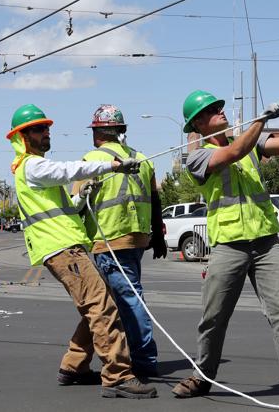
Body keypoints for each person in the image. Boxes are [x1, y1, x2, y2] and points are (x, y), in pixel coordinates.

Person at [171, 89, 279, 410]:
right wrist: (263, 119)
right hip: (229, 245)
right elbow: (233, 152)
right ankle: (203, 375)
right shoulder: (197, 158)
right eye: (212, 109)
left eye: (219, 106)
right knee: (214, 317)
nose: (220, 110)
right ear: (198, 123)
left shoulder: (250, 140)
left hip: (265, 242)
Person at [6, 104, 156, 399]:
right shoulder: (32, 166)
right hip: (62, 249)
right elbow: (69, 170)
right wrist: (113, 166)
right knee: (102, 308)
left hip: (66, 247)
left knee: (99, 303)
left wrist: (80, 198)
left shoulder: (36, 168)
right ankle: (117, 376)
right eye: (39, 129)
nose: (46, 132)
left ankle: (73, 366)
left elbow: (63, 209)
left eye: (47, 128)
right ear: (22, 136)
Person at [73, 104, 167, 378]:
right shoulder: (142, 159)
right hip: (137, 239)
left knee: (127, 300)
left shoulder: (91, 160)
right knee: (106, 302)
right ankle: (74, 362)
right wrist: (158, 235)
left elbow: (75, 204)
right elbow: (156, 200)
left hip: (109, 240)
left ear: (98, 133)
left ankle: (144, 360)